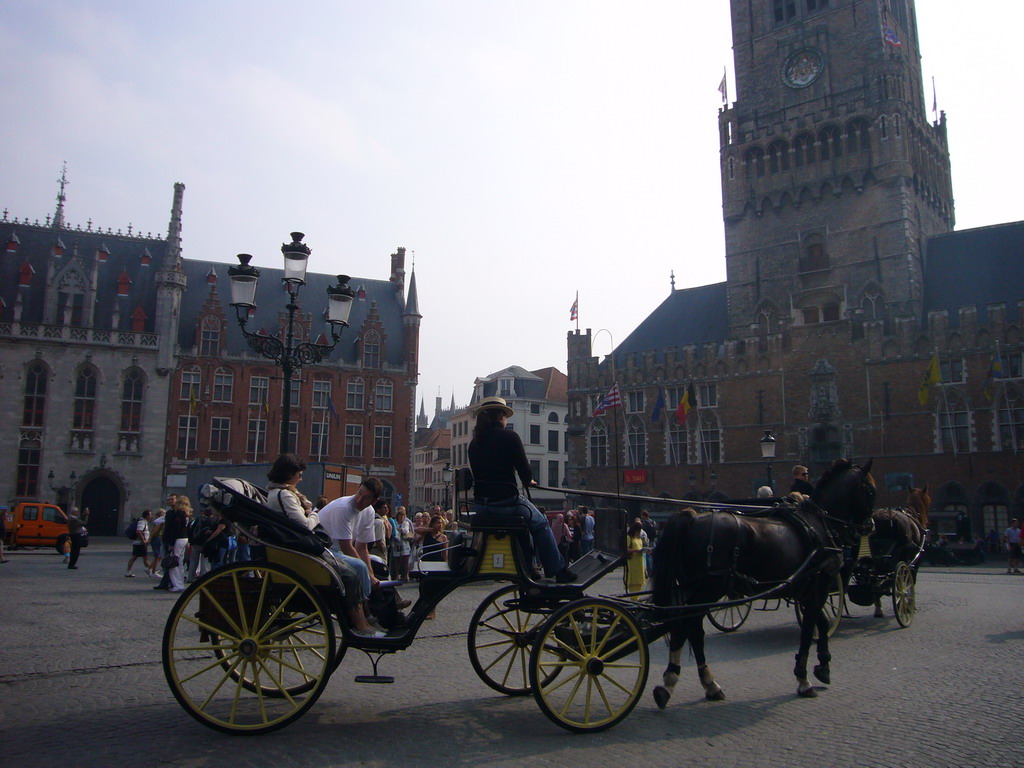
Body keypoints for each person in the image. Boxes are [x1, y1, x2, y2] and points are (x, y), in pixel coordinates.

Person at [265, 454, 385, 637]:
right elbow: (305, 525)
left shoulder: (279, 494)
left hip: (297, 545)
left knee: (363, 567)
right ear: (289, 475)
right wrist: (314, 514)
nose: (301, 478)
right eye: (299, 474)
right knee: (352, 573)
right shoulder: (285, 496)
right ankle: (361, 623)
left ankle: (369, 614)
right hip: (302, 549)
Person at [467, 396, 575, 583]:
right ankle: (557, 568)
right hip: (506, 501)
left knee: (522, 528)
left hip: (482, 505)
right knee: (540, 523)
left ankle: (528, 567)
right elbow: (525, 471)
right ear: (500, 416)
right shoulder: (510, 437)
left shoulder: (474, 444)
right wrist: (529, 480)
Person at [162, 496, 190, 593]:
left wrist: (171, 543)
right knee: (180, 562)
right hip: (185, 538)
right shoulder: (187, 513)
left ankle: (177, 585)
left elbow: (175, 529)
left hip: (178, 539)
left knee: (174, 562)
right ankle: (180, 583)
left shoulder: (178, 513)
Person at [125, 510, 154, 577]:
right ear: (147, 515)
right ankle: (150, 571)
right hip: (140, 543)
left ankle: (150, 571)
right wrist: (144, 540)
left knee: (140, 557)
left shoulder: (143, 522)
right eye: (150, 515)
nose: (151, 516)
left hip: (138, 543)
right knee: (142, 557)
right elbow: (139, 531)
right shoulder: (142, 522)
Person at [624, 520, 647, 597]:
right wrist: (636, 551)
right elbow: (625, 549)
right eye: (638, 531)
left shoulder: (639, 539)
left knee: (639, 583)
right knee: (633, 583)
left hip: (640, 563)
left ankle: (636, 597)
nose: (639, 533)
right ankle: (634, 598)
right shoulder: (629, 538)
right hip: (632, 563)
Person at [393, 507, 413, 582]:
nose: (402, 518)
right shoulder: (395, 522)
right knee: (397, 559)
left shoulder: (406, 523)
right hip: (396, 543)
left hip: (405, 542)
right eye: (400, 516)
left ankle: (405, 575)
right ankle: (397, 575)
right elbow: (394, 530)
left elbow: (405, 531)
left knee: (405, 559)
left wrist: (399, 530)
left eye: (403, 516)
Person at [149, 508, 165, 576]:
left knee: (158, 555)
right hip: (157, 538)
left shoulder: (158, 521)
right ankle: (153, 571)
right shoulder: (159, 521)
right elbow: (155, 531)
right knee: (157, 555)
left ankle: (150, 568)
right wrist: (150, 539)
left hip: (157, 538)